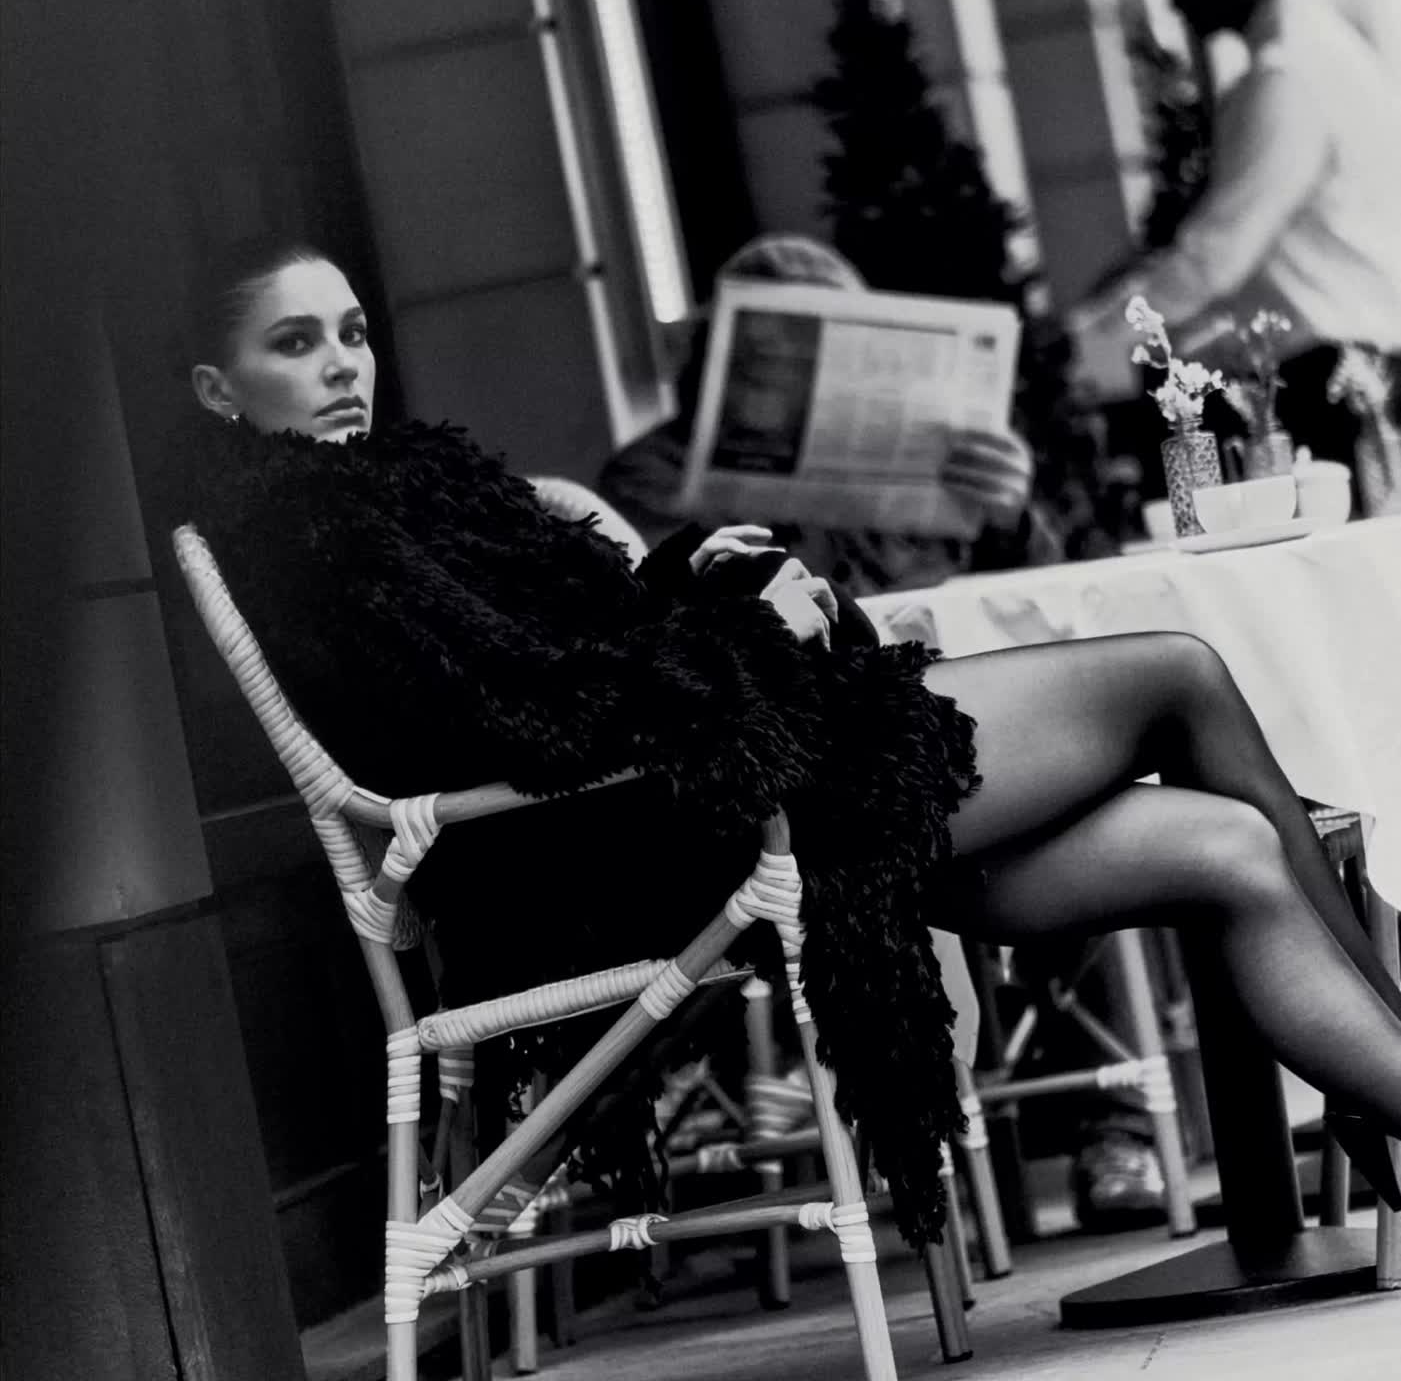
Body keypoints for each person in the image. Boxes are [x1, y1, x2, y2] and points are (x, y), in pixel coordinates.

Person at [182, 239, 1401, 1250]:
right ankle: (1377, 1071)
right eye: (296, 343)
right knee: (1177, 670)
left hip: (732, 782)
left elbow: (584, 646)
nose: (341, 364)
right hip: (673, 828)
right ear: (218, 389)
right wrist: (745, 627)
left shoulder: (416, 488)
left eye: (352, 333)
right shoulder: (311, 533)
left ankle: (1376, 1085)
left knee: (1235, 849)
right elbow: (535, 715)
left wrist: (704, 580)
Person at [605, 234, 1164, 1230]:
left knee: (1074, 786)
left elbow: (1040, 599)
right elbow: (650, 630)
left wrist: (1007, 511)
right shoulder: (656, 475)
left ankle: (1113, 1123)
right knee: (1047, 777)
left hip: (939, 726)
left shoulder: (933, 445)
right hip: (797, 782)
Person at [1072, 0, 1401, 473]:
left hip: (1333, 383)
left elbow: (1214, 259)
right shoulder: (1326, 46)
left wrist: (1085, 345)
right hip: (1361, 366)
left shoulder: (1285, 75)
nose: (1176, 4)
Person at [601, 234, 1058, 597]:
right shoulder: (649, 474)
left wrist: (1010, 521)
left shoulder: (918, 452)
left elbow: (1033, 600)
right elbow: (689, 607)